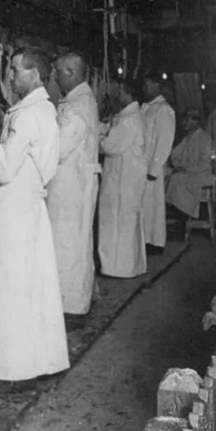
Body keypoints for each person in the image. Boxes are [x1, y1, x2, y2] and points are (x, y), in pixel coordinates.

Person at [0, 48, 69, 395]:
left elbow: (1, 167)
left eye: (15, 71)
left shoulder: (29, 115)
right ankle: (39, 363)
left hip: (13, 219)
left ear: (34, 75)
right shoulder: (34, 111)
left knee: (8, 295)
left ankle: (11, 374)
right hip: (23, 215)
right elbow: (0, 145)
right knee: (30, 293)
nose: (9, 77)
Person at [46, 52, 100, 325]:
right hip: (71, 185)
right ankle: (73, 303)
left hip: (71, 188)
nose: (54, 76)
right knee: (72, 245)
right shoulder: (77, 101)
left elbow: (57, 149)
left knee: (69, 246)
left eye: (57, 72)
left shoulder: (78, 108)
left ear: (70, 72)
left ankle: (72, 310)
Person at [97, 78, 148, 279]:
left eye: (119, 91)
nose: (116, 95)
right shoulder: (131, 117)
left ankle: (118, 269)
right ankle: (128, 266)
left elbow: (108, 146)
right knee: (127, 224)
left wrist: (99, 135)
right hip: (126, 180)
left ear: (127, 93)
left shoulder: (130, 120)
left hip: (122, 182)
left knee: (118, 224)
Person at [140, 71, 176, 251]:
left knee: (153, 205)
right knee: (144, 206)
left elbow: (165, 141)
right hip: (141, 163)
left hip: (152, 166)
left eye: (147, 86)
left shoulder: (164, 109)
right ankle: (145, 240)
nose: (144, 89)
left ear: (156, 86)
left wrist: (154, 168)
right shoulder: (146, 107)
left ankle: (155, 242)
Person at [165, 107, 215, 222]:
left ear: (195, 121)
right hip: (189, 172)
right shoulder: (188, 138)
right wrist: (179, 167)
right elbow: (174, 155)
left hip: (203, 175)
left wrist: (185, 169)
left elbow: (205, 165)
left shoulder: (204, 138)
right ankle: (173, 213)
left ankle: (180, 217)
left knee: (177, 179)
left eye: (186, 120)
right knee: (164, 173)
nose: (183, 123)